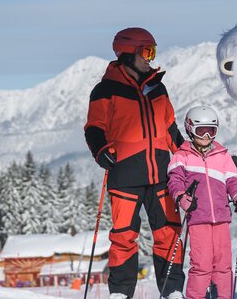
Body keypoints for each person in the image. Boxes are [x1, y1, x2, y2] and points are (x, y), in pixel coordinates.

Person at [85, 27, 187, 299]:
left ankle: (173, 291)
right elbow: (94, 127)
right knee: (123, 237)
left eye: (153, 51)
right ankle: (120, 294)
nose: (151, 58)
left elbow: (170, 129)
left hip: (161, 177)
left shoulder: (158, 88)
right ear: (128, 54)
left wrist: (187, 159)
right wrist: (101, 150)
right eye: (146, 51)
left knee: (169, 234)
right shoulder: (106, 90)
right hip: (125, 177)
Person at [167, 106, 237, 299]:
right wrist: (181, 197)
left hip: (221, 217)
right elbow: (174, 180)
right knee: (201, 265)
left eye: (211, 130)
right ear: (189, 129)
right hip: (198, 217)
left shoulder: (222, 155)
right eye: (200, 130)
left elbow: (232, 180)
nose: (205, 135)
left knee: (223, 266)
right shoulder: (182, 155)